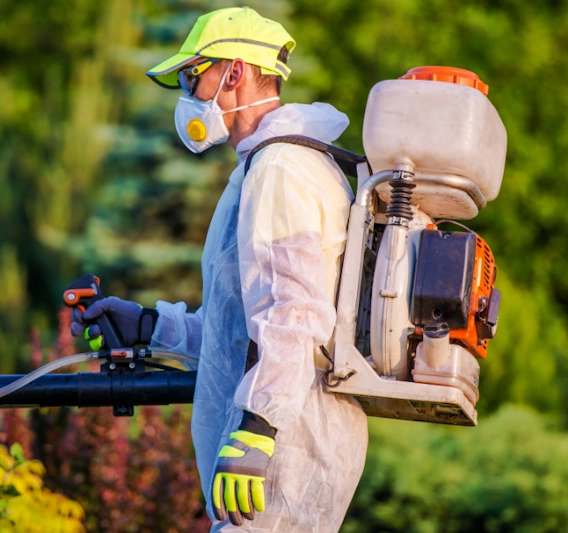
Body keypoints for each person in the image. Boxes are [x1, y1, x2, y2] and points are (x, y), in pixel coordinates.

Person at [71, 7, 368, 532]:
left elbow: (295, 316)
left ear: (232, 72)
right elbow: (238, 332)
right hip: (274, 457)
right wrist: (148, 327)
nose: (187, 93)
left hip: (282, 460)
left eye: (193, 76)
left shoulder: (280, 169)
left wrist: (256, 428)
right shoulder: (266, 165)